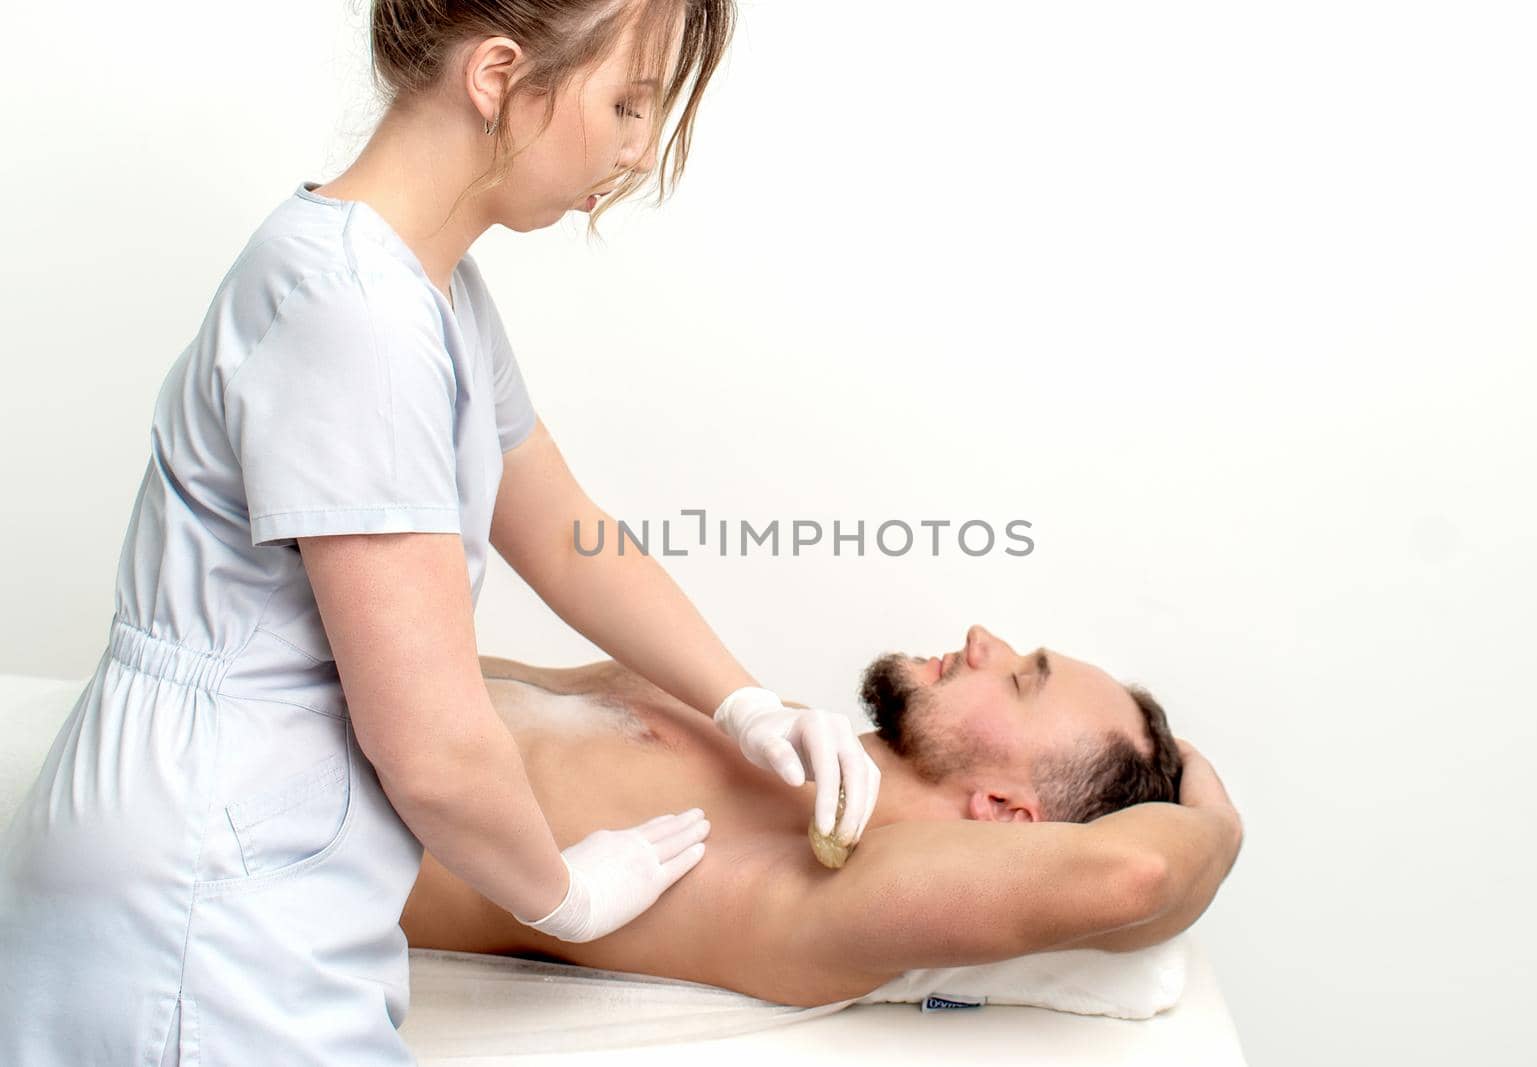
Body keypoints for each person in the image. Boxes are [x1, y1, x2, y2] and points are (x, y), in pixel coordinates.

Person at [0, 2, 883, 1063]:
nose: (637, 148)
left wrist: (744, 701)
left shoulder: (425, 289)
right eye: (625, 104)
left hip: (247, 866)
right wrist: (564, 893)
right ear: (499, 75)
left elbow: (564, 532)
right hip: (200, 895)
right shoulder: (354, 315)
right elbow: (430, 745)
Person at [399, 624, 1246, 1006]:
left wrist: (1220, 821)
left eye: (1022, 679)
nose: (986, 639)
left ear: (1005, 814)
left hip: (282, 836)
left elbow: (1140, 873)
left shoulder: (839, 894)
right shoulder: (781, 730)